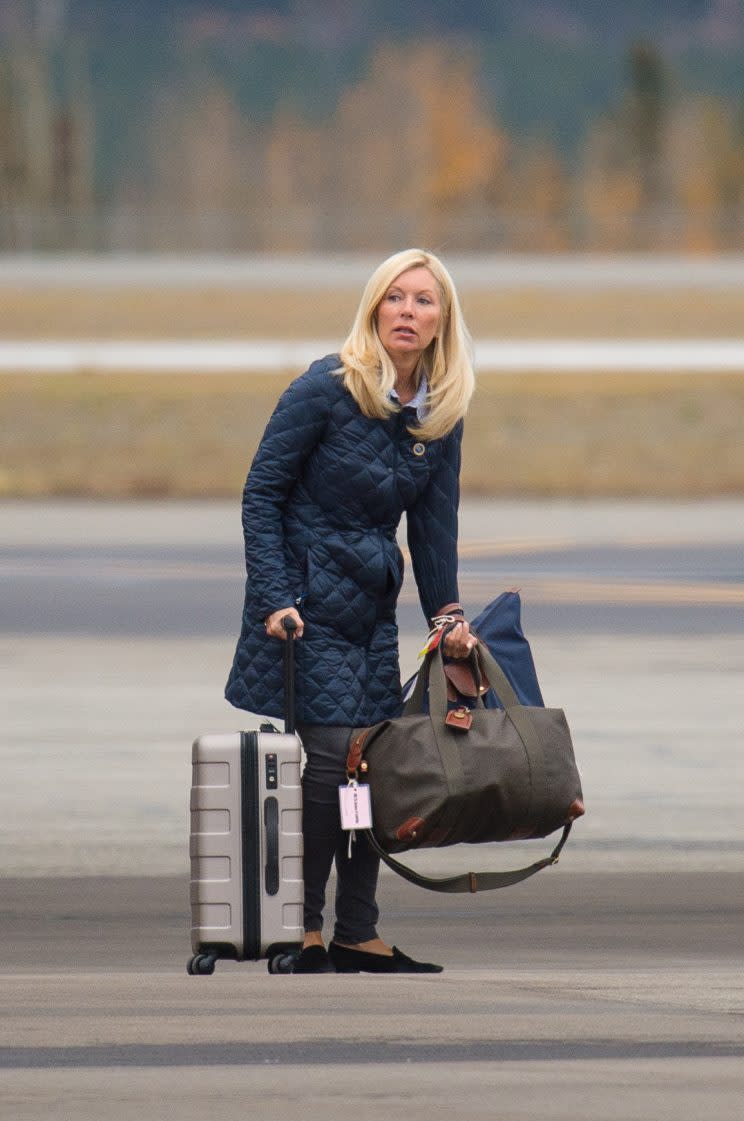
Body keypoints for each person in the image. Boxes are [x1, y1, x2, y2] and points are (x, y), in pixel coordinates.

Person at [225, 248, 476, 974]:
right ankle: (302, 928)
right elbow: (261, 494)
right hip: (304, 611)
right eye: (394, 297)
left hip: (370, 618)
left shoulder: (438, 413)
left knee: (374, 772)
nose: (407, 310)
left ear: (441, 321)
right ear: (374, 309)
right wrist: (274, 596)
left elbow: (433, 530)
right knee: (334, 766)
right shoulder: (326, 388)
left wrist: (445, 617)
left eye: (423, 301)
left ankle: (357, 930)